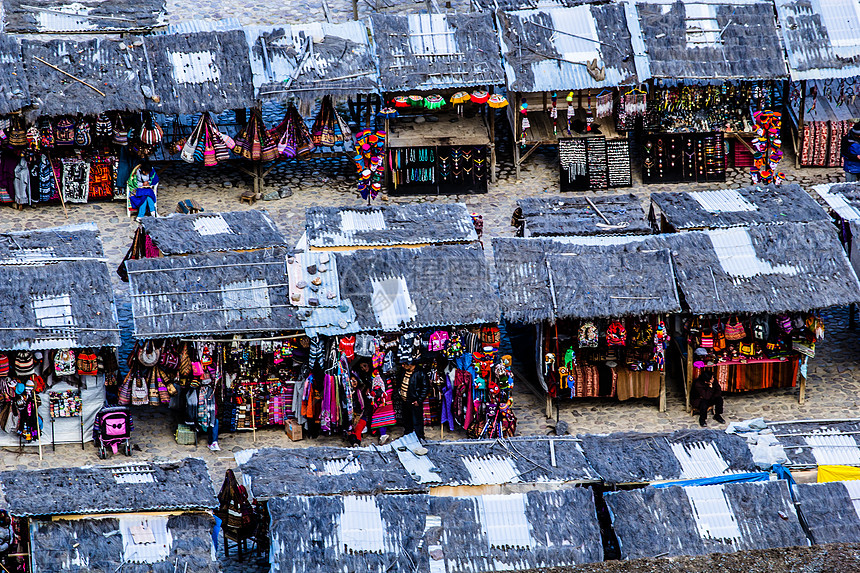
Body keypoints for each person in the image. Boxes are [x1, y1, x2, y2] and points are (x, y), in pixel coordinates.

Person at [398, 362, 428, 446]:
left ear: (411, 364)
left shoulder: (420, 373)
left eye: (405, 364)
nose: (403, 366)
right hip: (405, 400)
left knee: (417, 420)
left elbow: (425, 388)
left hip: (414, 402)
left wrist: (419, 400)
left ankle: (419, 438)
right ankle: (408, 436)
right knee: (407, 420)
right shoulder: (403, 372)